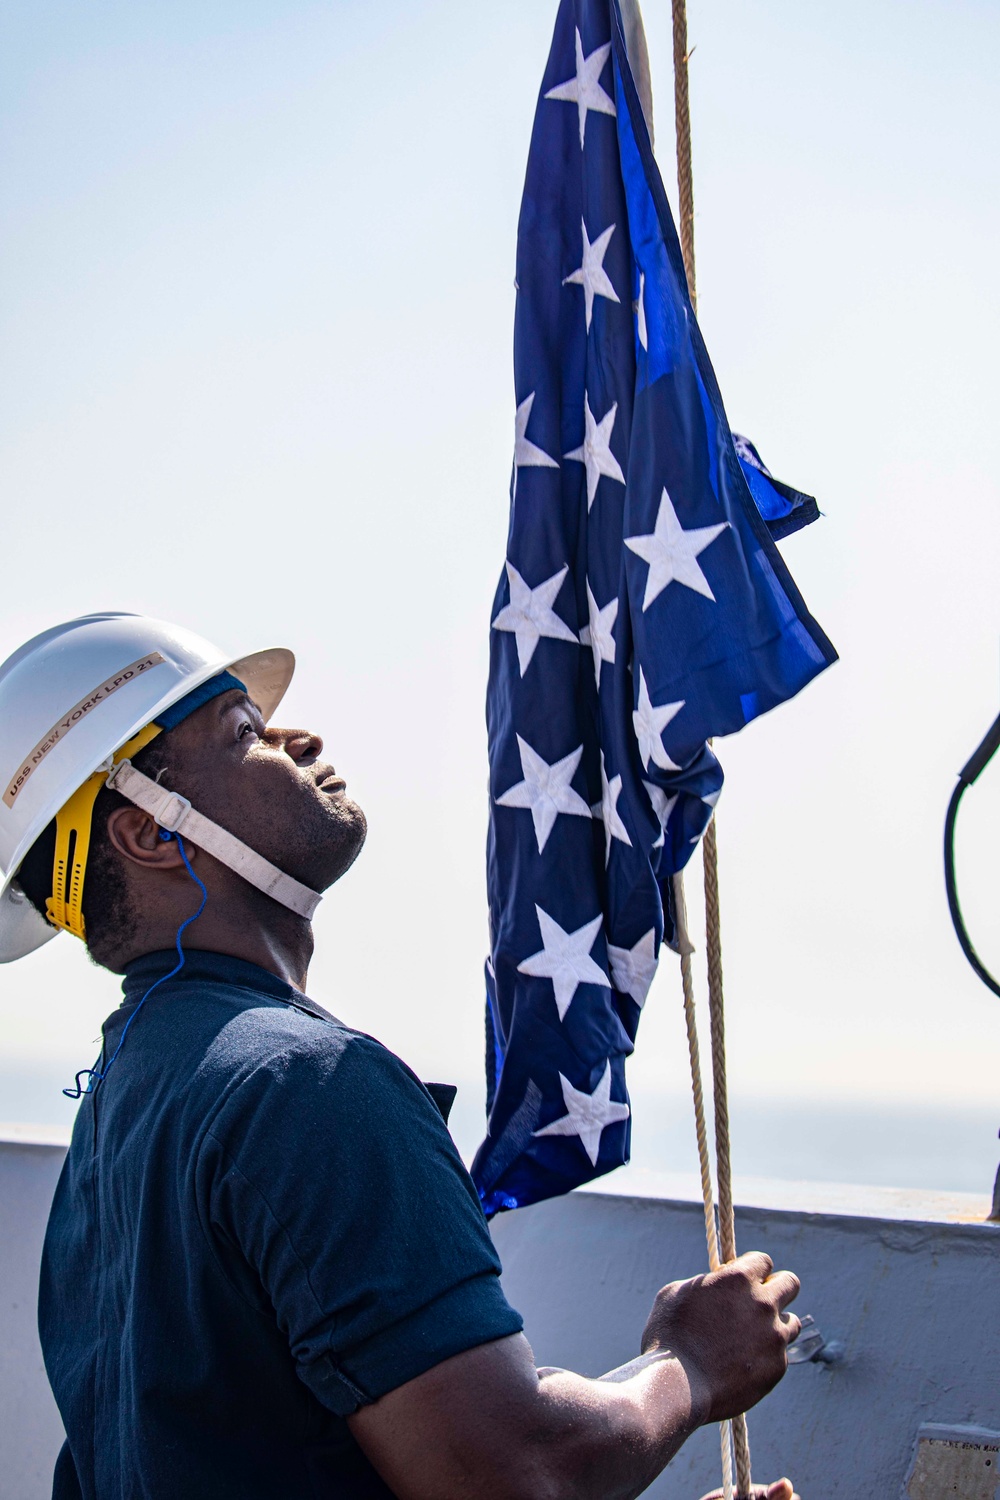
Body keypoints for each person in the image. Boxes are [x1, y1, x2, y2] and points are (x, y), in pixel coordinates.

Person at [0, 613, 802, 1500]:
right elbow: (507, 1474)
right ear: (149, 834)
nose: (296, 737)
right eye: (244, 733)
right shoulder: (299, 1083)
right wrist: (687, 1365)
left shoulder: (124, 1099)